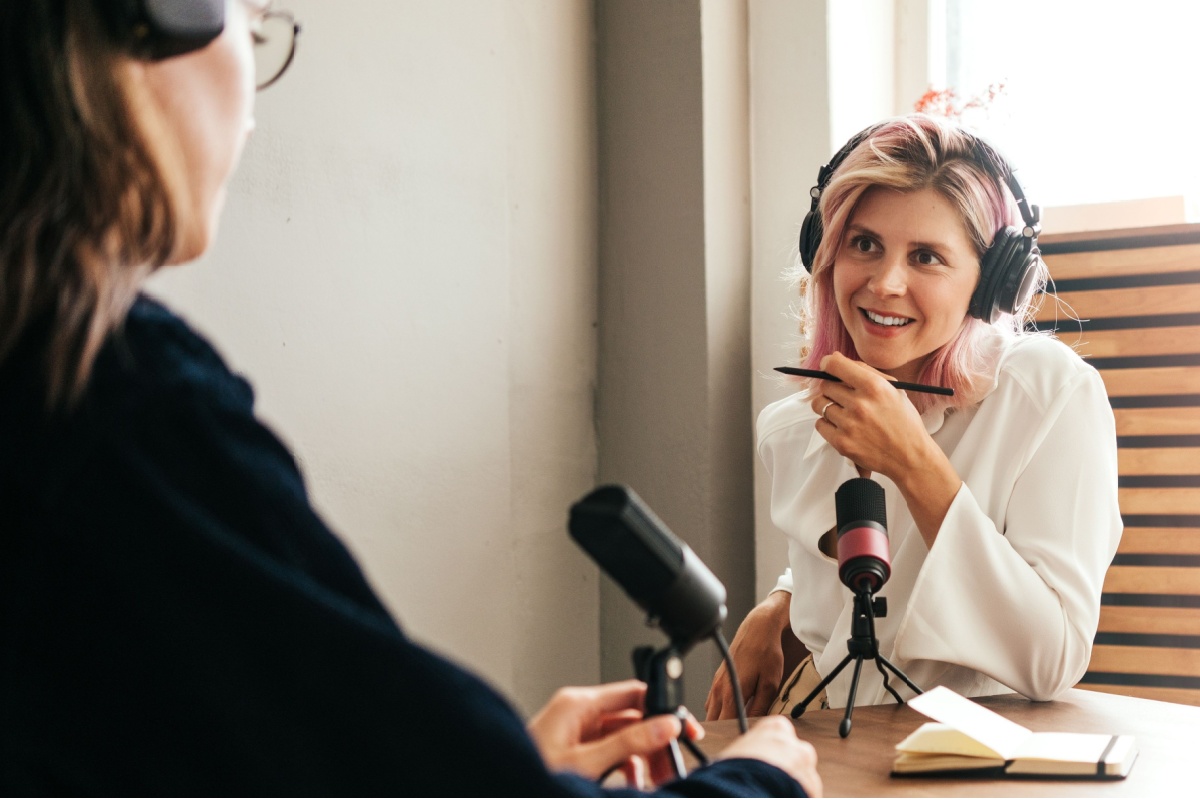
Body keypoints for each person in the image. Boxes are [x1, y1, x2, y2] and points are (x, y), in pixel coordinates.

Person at [0, 0, 823, 795]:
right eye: (250, 26)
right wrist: (756, 782)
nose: (251, 105)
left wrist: (472, 768)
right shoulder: (114, 403)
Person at [705, 114, 1122, 721]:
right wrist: (777, 604)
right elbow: (842, 579)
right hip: (824, 745)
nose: (885, 283)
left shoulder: (1051, 398)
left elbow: (1051, 660)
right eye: (864, 244)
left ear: (989, 286)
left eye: (926, 256)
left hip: (972, 762)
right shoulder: (794, 425)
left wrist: (913, 462)